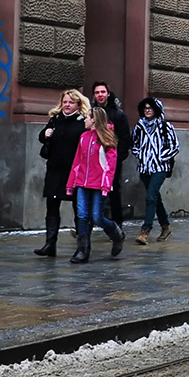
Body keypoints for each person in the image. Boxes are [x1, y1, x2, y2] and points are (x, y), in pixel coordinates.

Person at [66, 105, 126, 263]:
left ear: (94, 119)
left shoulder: (106, 138)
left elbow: (110, 165)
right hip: (82, 183)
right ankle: (82, 250)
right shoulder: (83, 137)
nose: (84, 120)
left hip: (99, 184)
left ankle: (117, 234)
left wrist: (106, 184)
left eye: (87, 117)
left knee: (97, 217)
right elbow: (77, 161)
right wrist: (71, 182)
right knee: (82, 216)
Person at [35, 89, 89, 257]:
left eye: (71, 102)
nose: (67, 105)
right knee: (52, 206)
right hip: (55, 170)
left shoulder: (83, 122)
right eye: (65, 102)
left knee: (78, 208)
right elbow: (42, 138)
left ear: (78, 105)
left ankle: (82, 248)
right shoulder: (56, 119)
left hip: (75, 172)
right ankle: (50, 244)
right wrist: (45, 133)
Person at [132, 97, 179, 245]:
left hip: (160, 168)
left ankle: (145, 231)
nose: (147, 110)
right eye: (145, 108)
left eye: (150, 108)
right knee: (154, 198)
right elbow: (134, 144)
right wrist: (140, 154)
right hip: (145, 168)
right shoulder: (139, 126)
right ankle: (165, 227)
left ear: (156, 110)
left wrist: (160, 157)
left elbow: (174, 146)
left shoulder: (166, 127)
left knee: (151, 197)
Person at [92, 82, 131, 226]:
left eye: (103, 92)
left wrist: (118, 157)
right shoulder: (91, 113)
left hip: (111, 160)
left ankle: (117, 224)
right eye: (97, 92)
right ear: (94, 95)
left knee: (113, 192)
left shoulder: (118, 114)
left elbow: (125, 138)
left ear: (108, 94)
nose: (100, 95)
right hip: (93, 159)